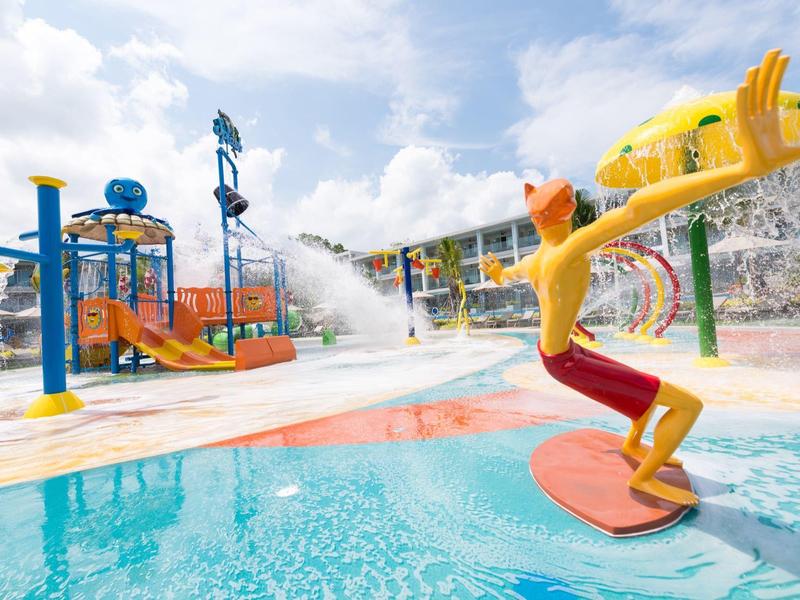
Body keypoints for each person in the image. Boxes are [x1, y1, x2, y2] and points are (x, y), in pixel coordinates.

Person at [480, 49, 800, 505]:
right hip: (567, 361)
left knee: (643, 387)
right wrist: (741, 169)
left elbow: (506, 276)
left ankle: (634, 442)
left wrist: (494, 273)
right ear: (570, 210)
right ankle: (643, 477)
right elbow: (640, 207)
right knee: (688, 405)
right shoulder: (570, 249)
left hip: (560, 354)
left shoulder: (536, 258)